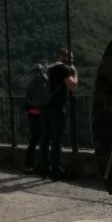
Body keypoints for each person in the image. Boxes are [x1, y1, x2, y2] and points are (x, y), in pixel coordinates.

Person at [39, 48, 78, 179]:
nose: (71, 60)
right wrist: (75, 73)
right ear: (63, 57)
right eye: (70, 57)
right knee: (56, 140)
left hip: (44, 108)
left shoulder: (47, 69)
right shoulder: (64, 69)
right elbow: (72, 86)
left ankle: (44, 168)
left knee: (45, 139)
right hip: (57, 109)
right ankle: (56, 169)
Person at [23, 58, 47, 173]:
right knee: (45, 139)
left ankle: (28, 165)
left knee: (33, 140)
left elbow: (27, 97)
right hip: (44, 113)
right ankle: (44, 165)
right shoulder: (46, 80)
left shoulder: (32, 82)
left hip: (32, 113)